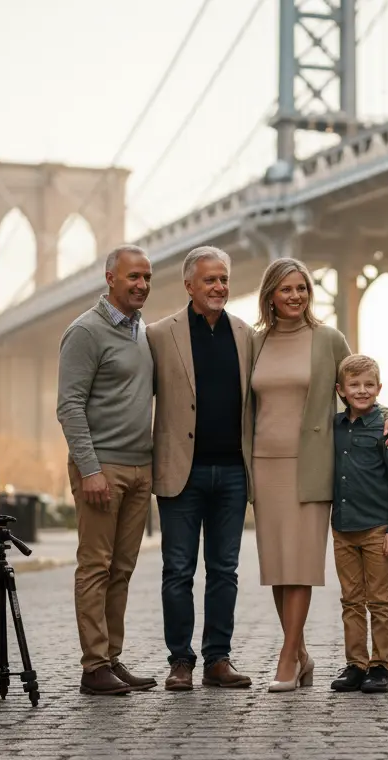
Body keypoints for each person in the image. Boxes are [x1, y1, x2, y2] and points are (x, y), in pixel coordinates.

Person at [248, 257, 388, 693]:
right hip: (263, 464)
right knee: (278, 567)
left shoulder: (328, 339)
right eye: (286, 289)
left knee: (299, 565)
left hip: (312, 465)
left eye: (302, 288)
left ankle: (286, 656)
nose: (296, 296)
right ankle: (300, 655)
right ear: (270, 296)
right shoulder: (254, 342)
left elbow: (360, 389)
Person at [146, 246, 255, 691]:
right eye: (209, 280)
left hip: (232, 472)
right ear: (189, 285)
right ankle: (180, 661)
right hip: (180, 473)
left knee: (224, 571)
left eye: (224, 279)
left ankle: (217, 660)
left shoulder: (248, 335)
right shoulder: (157, 335)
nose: (219, 287)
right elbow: (133, 396)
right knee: (177, 570)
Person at [56, 244, 158, 696]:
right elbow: (69, 407)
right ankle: (93, 666)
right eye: (133, 276)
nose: (141, 285)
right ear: (110, 277)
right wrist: (90, 469)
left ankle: (112, 659)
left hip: (140, 470)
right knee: (95, 566)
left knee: (122, 569)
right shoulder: (85, 332)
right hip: (102, 469)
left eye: (147, 278)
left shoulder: (142, 332)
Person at [328, 354, 388, 694]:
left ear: (379, 388)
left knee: (379, 601)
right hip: (343, 528)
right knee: (350, 600)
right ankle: (356, 665)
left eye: (369, 385)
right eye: (354, 385)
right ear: (341, 390)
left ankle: (381, 666)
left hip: (376, 529)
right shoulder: (334, 426)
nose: (362, 391)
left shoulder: (386, 428)